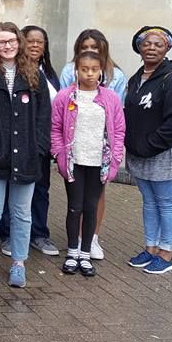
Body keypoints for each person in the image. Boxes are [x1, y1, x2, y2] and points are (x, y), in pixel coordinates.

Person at [0, 22, 50, 289]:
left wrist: (39, 148)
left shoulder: (33, 75)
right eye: (1, 42)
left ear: (19, 42)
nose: (7, 46)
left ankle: (19, 262)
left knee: (21, 213)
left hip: (26, 158)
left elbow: (44, 117)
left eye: (11, 41)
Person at [124, 26, 172, 275]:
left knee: (166, 202)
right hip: (141, 154)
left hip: (166, 154)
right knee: (149, 203)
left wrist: (147, 145)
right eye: (147, 43)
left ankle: (166, 253)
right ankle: (150, 248)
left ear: (167, 49)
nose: (152, 47)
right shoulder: (136, 78)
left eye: (158, 44)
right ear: (139, 47)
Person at [51, 51, 125, 277]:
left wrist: (115, 158)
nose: (90, 74)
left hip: (98, 162)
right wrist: (59, 155)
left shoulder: (110, 98)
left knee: (91, 207)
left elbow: (119, 129)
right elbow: (55, 128)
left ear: (101, 70)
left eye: (94, 69)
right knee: (75, 207)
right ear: (77, 70)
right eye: (85, 69)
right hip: (74, 162)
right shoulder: (65, 97)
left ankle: (85, 254)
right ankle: (72, 252)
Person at [17, 25, 61, 256]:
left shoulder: (51, 74)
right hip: (18, 142)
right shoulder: (15, 71)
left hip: (41, 144)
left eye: (39, 42)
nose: (35, 45)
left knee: (41, 189)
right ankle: (9, 234)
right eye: (30, 41)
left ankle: (39, 234)